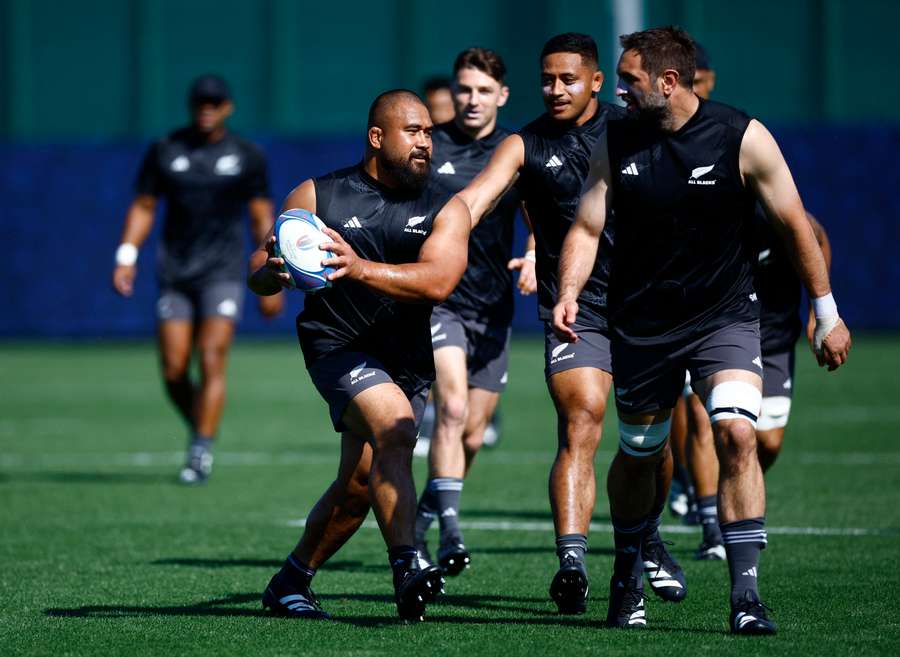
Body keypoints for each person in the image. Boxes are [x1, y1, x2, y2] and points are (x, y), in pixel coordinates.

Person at [554, 26, 851, 633]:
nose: (620, 90)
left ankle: (745, 596)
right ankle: (629, 572)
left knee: (737, 436)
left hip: (726, 317)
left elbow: (796, 224)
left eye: (630, 80)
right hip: (641, 325)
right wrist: (567, 292)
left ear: (667, 82)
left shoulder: (742, 137)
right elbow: (587, 227)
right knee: (642, 455)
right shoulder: (616, 138)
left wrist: (827, 313)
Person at [457, 33, 685, 615]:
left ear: (596, 82)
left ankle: (645, 535)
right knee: (581, 418)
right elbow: (476, 198)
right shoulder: (525, 143)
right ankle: (573, 563)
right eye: (547, 79)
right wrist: (436, 228)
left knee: (649, 445)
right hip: (574, 307)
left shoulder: (633, 128)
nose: (555, 90)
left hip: (650, 309)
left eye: (568, 79)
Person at [250, 90, 472, 622]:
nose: (425, 141)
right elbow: (260, 268)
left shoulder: (447, 204)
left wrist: (360, 267)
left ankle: (290, 581)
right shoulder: (318, 196)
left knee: (357, 486)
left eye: (428, 133)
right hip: (339, 346)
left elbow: (439, 281)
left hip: (408, 359)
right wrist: (273, 273)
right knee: (395, 427)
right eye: (413, 132)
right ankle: (407, 567)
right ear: (378, 138)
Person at [685, 47, 833, 561]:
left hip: (773, 330)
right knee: (714, 422)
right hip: (715, 324)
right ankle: (711, 522)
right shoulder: (698, 197)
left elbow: (813, 235)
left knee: (761, 443)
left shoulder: (763, 190)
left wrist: (822, 311)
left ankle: (726, 485)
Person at [112, 74, 282, 484]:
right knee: (173, 370)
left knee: (211, 357)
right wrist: (126, 255)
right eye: (200, 102)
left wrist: (271, 273)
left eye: (215, 102)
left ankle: (200, 451)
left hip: (222, 273)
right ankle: (202, 424)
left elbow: (261, 215)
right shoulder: (166, 150)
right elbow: (144, 206)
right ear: (191, 106)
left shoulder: (246, 155)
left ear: (228, 108)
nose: (207, 108)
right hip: (175, 273)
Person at [413, 47, 536, 577]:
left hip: (494, 307)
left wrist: (533, 254)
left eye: (484, 91)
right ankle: (452, 535)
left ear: (502, 96)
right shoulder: (428, 147)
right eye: (464, 89)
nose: (471, 99)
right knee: (454, 410)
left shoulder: (515, 150)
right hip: (441, 304)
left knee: (471, 433)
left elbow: (544, 217)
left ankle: (420, 521)